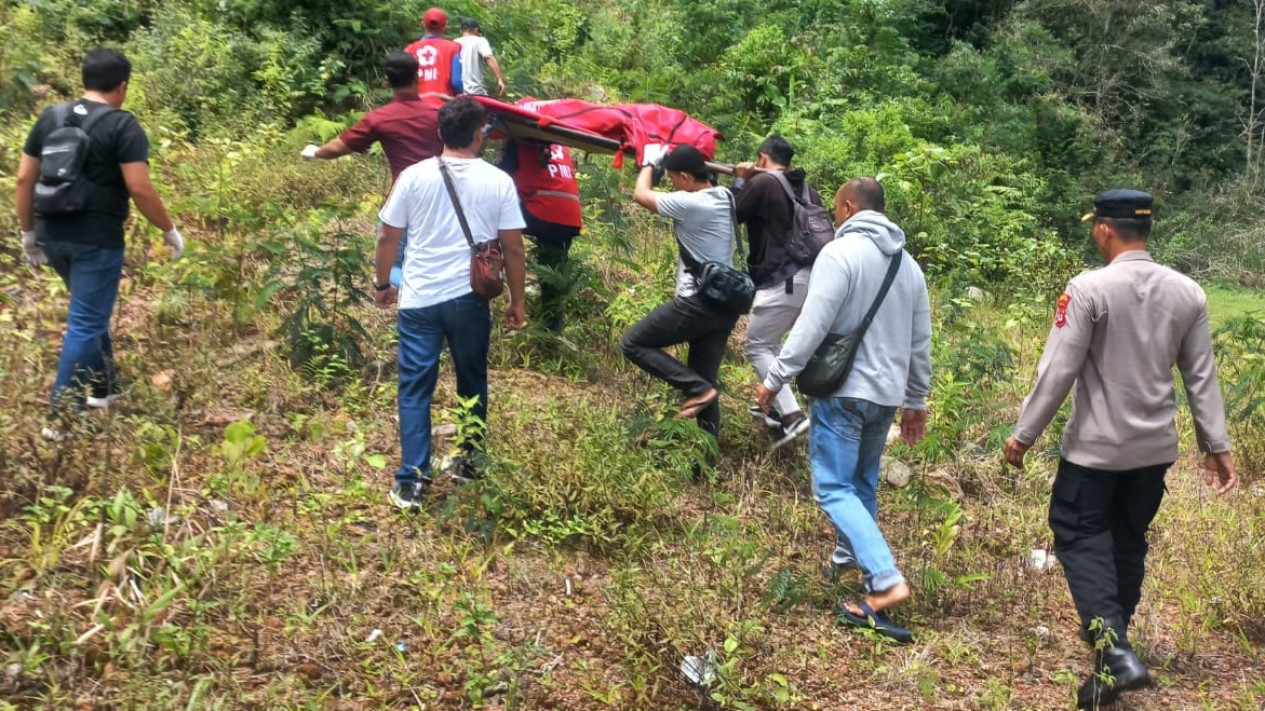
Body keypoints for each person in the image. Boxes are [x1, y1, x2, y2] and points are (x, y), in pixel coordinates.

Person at [1004, 190, 1237, 709]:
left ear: (1105, 230)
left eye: (1095, 228)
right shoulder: (1188, 293)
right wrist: (1215, 444)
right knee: (1127, 542)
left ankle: (1115, 653)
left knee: (1078, 533)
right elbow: (1201, 377)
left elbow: (1058, 370)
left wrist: (1024, 433)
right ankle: (1111, 668)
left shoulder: (1088, 289)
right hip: (1153, 453)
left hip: (1094, 451)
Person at [757, 177, 930, 643]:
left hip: (844, 393)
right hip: (887, 397)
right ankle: (863, 580)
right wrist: (916, 400)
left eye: (835, 209)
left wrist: (774, 380)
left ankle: (887, 579)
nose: (833, 217)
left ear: (849, 207)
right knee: (861, 486)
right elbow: (920, 341)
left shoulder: (838, 253)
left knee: (833, 488)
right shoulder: (908, 266)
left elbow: (813, 325)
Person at [15, 48, 183, 435]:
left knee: (90, 310)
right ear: (122, 86)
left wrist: (28, 234)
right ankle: (62, 420)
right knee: (87, 321)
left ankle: (105, 388)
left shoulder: (50, 117)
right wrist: (168, 230)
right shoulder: (123, 125)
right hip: (97, 240)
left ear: (84, 80)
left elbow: (24, 179)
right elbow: (139, 187)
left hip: (51, 234)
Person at [373, 96, 527, 511]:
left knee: (414, 388)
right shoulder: (498, 181)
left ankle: (412, 480)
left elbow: (388, 237)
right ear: (480, 134)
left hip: (419, 300)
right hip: (469, 299)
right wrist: (517, 301)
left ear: (440, 133)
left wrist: (382, 283)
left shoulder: (412, 176)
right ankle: (472, 460)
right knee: (472, 378)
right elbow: (513, 248)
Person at [621, 144, 740, 448]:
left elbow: (641, 194)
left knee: (632, 342)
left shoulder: (692, 203)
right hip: (724, 306)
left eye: (674, 179)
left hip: (697, 302)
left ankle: (696, 389)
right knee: (708, 382)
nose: (673, 184)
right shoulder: (724, 196)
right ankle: (706, 467)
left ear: (687, 177)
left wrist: (649, 162)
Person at [301, 51, 444, 286]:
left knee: (390, 262)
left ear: (386, 81)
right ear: (417, 77)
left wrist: (314, 152)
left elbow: (339, 147)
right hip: (443, 198)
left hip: (404, 199)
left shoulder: (380, 118)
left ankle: (411, 295)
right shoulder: (438, 115)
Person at [733, 135, 823, 449]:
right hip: (813, 278)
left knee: (758, 346)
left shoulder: (764, 183)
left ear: (762, 157)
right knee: (772, 342)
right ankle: (768, 406)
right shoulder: (807, 189)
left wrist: (741, 181)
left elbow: (731, 212)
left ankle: (791, 415)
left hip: (783, 278)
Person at [497, 138, 582, 331]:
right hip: (570, 217)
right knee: (552, 272)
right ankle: (551, 328)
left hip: (542, 213)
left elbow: (498, 179)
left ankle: (489, 272)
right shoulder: (559, 140)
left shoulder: (518, 141)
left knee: (490, 214)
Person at [403, 7, 463, 97]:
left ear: (423, 24)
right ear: (445, 26)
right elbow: (456, 82)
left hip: (416, 105)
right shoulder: (453, 48)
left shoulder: (410, 49)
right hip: (444, 105)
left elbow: (404, 81)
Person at [455, 18, 507, 97]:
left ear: (461, 31)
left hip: (457, 93)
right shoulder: (480, 41)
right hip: (475, 92)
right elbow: (488, 57)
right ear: (476, 30)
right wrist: (500, 79)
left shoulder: (454, 43)